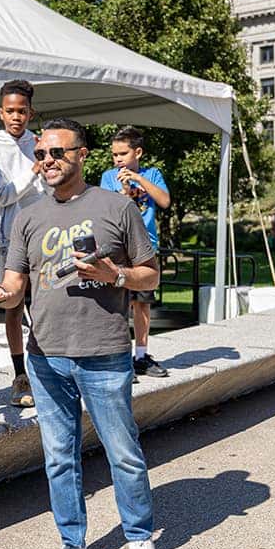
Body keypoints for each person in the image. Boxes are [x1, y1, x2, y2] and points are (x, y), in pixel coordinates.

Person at [0, 118, 160, 549]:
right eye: (41, 154)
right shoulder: (26, 216)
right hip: (45, 357)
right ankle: (73, 546)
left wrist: (113, 276)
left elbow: (151, 276)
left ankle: (139, 535)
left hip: (102, 352)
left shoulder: (117, 207)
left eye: (58, 152)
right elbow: (17, 288)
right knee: (59, 457)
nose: (48, 161)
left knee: (122, 452)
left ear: (82, 154)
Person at [0, 79, 47, 408]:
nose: (16, 117)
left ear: (30, 112)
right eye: (10, 111)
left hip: (46, 234)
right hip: (13, 236)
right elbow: (2, 196)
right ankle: (20, 375)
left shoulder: (42, 141)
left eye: (22, 111)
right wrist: (34, 170)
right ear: (0, 113)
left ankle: (50, 369)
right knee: (14, 306)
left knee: (48, 304)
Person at [99, 126, 171, 379]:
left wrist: (139, 180)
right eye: (114, 154)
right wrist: (124, 194)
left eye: (123, 153)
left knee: (142, 302)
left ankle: (141, 355)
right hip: (118, 246)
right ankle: (116, 357)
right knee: (117, 302)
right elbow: (107, 212)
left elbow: (164, 201)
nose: (117, 159)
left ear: (137, 152)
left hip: (145, 246)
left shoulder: (153, 174)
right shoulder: (108, 177)